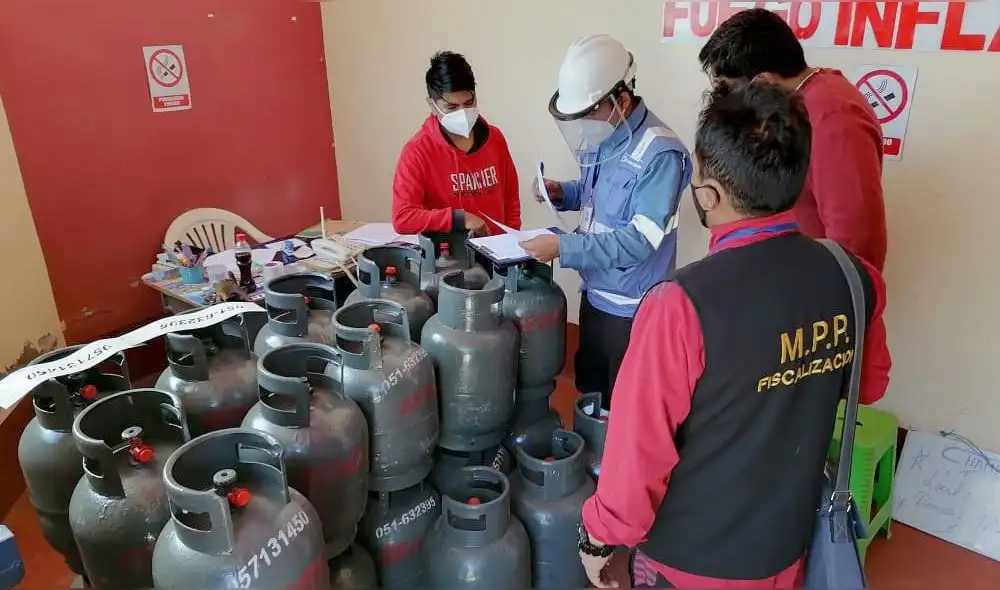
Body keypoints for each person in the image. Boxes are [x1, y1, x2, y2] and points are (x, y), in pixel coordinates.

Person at [576, 82, 892, 588]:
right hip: (788, 547)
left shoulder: (679, 306)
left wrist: (597, 538)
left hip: (690, 560)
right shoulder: (854, 277)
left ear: (708, 193)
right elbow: (869, 387)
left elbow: (637, 460)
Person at [520, 35, 691, 412]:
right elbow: (598, 195)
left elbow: (638, 241)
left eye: (587, 114)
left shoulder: (661, 154)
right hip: (596, 296)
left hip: (633, 310)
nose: (583, 125)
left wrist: (564, 247)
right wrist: (560, 192)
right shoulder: (608, 136)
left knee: (626, 407)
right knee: (591, 394)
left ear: (621, 99)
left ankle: (613, 470)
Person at [698, 8, 887, 271]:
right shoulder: (795, 103)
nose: (728, 100)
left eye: (730, 89)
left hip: (811, 296)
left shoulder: (833, 118)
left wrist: (827, 306)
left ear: (763, 80)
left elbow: (856, 240)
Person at [391, 51, 521, 237]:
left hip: (498, 254)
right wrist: (458, 218)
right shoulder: (417, 152)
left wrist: (512, 241)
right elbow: (403, 218)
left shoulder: (495, 138)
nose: (463, 112)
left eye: (469, 103)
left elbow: (510, 198)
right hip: (450, 259)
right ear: (432, 105)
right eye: (451, 107)